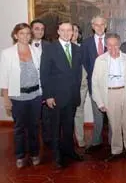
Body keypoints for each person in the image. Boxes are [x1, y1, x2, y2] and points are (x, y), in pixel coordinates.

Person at [40, 21, 83, 168]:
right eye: (63, 30)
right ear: (58, 31)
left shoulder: (77, 49)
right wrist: (48, 96)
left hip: (72, 96)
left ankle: (69, 151)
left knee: (69, 127)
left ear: (73, 32)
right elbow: (44, 74)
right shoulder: (50, 49)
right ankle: (57, 156)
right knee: (56, 128)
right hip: (56, 97)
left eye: (69, 30)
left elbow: (77, 74)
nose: (66, 33)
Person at [92, 33, 126, 163]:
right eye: (110, 45)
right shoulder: (100, 60)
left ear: (120, 45)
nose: (113, 48)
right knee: (114, 125)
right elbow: (95, 83)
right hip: (110, 95)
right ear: (106, 46)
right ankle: (116, 150)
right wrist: (100, 102)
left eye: (116, 45)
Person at [0, 23, 42, 168]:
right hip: (17, 98)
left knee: (34, 127)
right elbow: (4, 78)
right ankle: (20, 155)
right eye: (22, 33)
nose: (25, 36)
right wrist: (6, 99)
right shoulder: (7, 53)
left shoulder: (36, 51)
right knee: (19, 128)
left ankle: (35, 153)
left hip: (36, 96)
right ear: (15, 35)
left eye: (28, 33)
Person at [82, 16, 107, 153]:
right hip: (95, 86)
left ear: (106, 26)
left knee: (113, 117)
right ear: (92, 26)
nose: (99, 27)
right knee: (97, 116)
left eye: (102, 24)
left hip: (112, 86)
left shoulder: (112, 41)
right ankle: (96, 142)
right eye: (96, 25)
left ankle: (112, 143)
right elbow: (86, 63)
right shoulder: (86, 44)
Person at [30, 19, 52, 147]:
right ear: (31, 30)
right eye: (37, 28)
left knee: (47, 117)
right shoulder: (25, 46)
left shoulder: (49, 45)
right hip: (30, 88)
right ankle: (33, 145)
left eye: (42, 29)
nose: (40, 31)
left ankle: (47, 141)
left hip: (45, 87)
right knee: (32, 119)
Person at [72, 23, 88, 148]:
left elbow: (86, 66)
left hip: (81, 86)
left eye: (76, 30)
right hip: (65, 88)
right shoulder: (61, 48)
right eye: (72, 30)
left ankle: (80, 138)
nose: (74, 33)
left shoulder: (83, 48)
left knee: (79, 112)